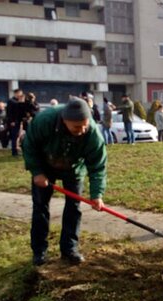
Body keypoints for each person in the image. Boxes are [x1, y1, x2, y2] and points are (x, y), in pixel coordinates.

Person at [22, 97, 107, 266]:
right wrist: (37, 172)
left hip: (74, 168)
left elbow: (98, 166)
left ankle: (69, 249)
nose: (82, 129)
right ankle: (39, 251)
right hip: (45, 165)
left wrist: (97, 195)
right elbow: (29, 145)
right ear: (64, 120)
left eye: (85, 125)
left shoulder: (92, 134)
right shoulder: (44, 121)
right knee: (40, 207)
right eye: (77, 126)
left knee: (73, 207)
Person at [6, 88, 26, 156]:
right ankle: (14, 152)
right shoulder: (11, 101)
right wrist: (11, 121)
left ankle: (20, 150)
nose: (20, 95)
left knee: (20, 136)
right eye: (20, 93)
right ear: (16, 93)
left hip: (21, 121)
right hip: (14, 121)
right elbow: (9, 112)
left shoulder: (20, 101)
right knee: (15, 136)